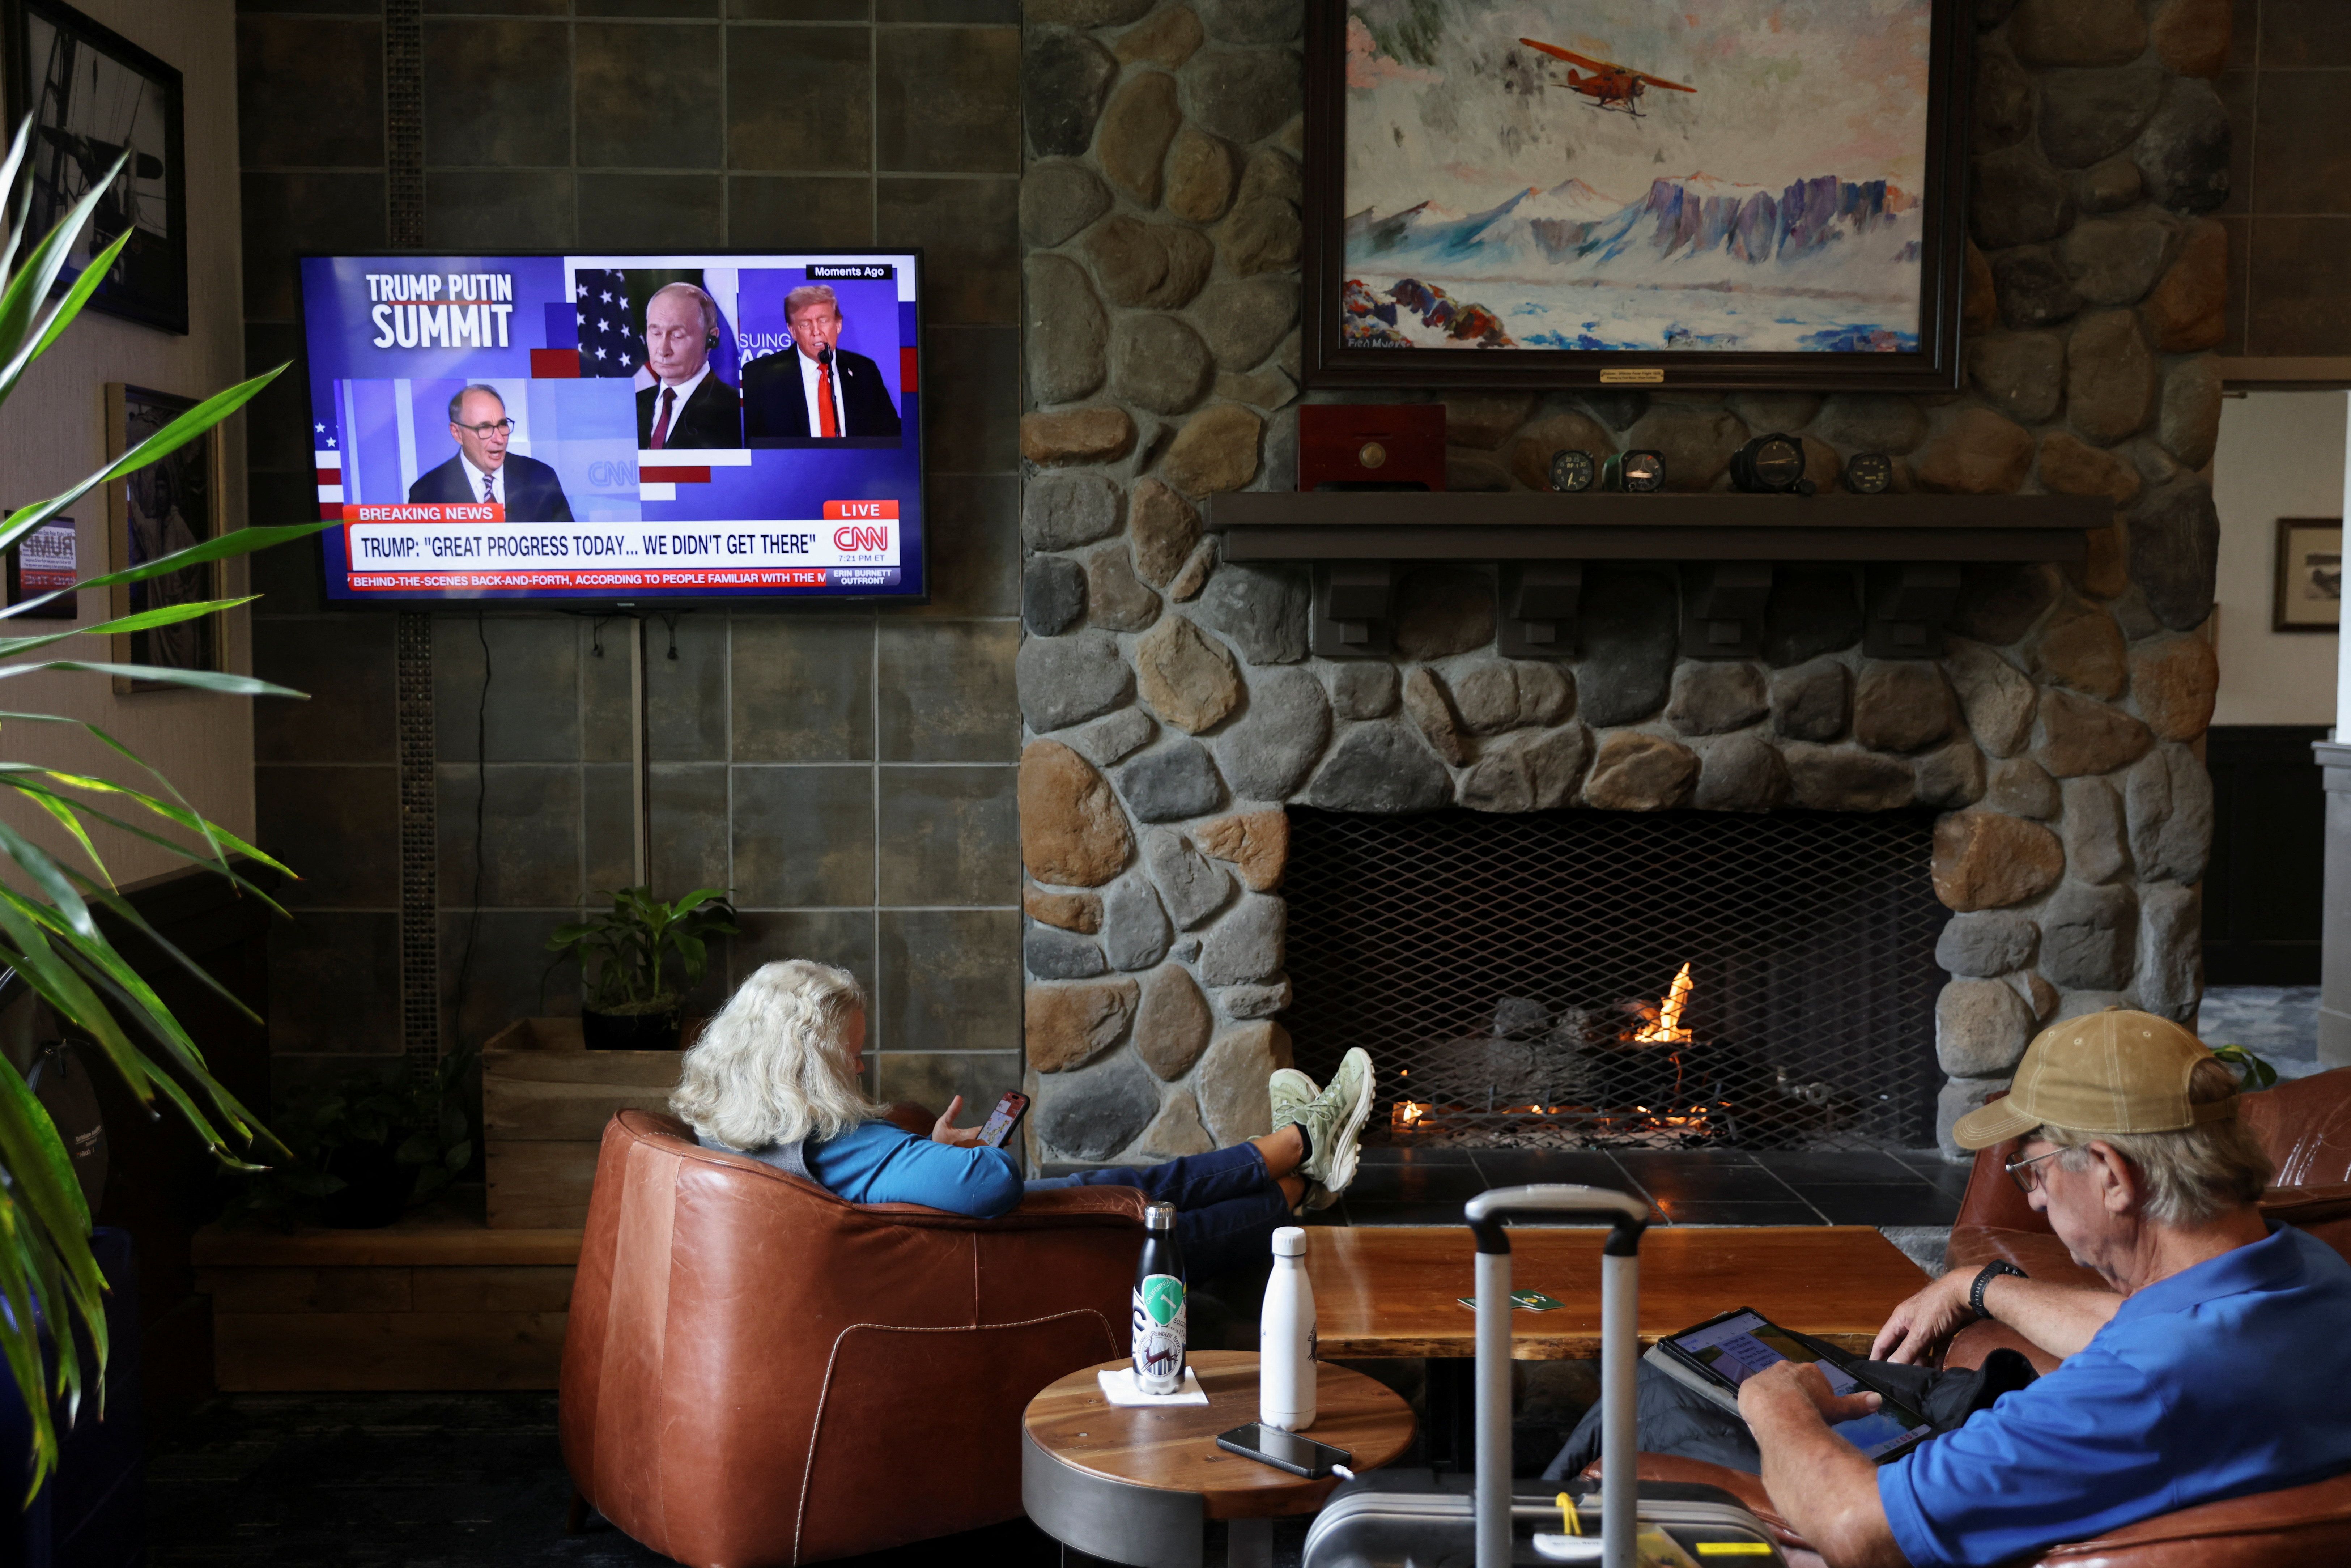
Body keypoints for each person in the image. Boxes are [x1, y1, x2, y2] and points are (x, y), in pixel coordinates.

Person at [1558, 1008, 2351, 1568]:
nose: (2033, 1198)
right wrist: (1981, 1285)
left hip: (1902, 1522)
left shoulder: (2139, 1389)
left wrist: (1779, 1403)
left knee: (1653, 1395)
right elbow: (2141, 1327)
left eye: (2034, 1170)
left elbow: (1857, 1529)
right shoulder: (2309, 1279)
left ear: (2109, 1173)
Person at [668, 959, 1374, 1278]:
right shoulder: (838, 1146)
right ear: (807, 1065)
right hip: (1000, 1261)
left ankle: (1296, 1152)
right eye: (848, 1058)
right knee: (1144, 1213)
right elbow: (994, 1181)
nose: (858, 1071)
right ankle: (1302, 1168)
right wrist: (944, 1158)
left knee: (1123, 1178)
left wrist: (922, 1154)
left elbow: (886, 1187)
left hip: (943, 1248)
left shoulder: (729, 1126)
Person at [741, 284, 902, 441]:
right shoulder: (761, 377)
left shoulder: (864, 371)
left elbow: (891, 436)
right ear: (792, 331)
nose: (816, 332)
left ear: (838, 325)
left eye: (823, 321)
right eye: (805, 324)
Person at [407, 385, 573, 522]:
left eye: (502, 425)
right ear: (457, 434)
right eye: (485, 428)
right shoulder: (427, 493)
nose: (499, 439)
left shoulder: (542, 479)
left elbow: (570, 551)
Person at [637, 282, 741, 450]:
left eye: (677, 336)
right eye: (656, 333)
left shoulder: (736, 411)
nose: (663, 350)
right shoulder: (632, 406)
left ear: (711, 339)